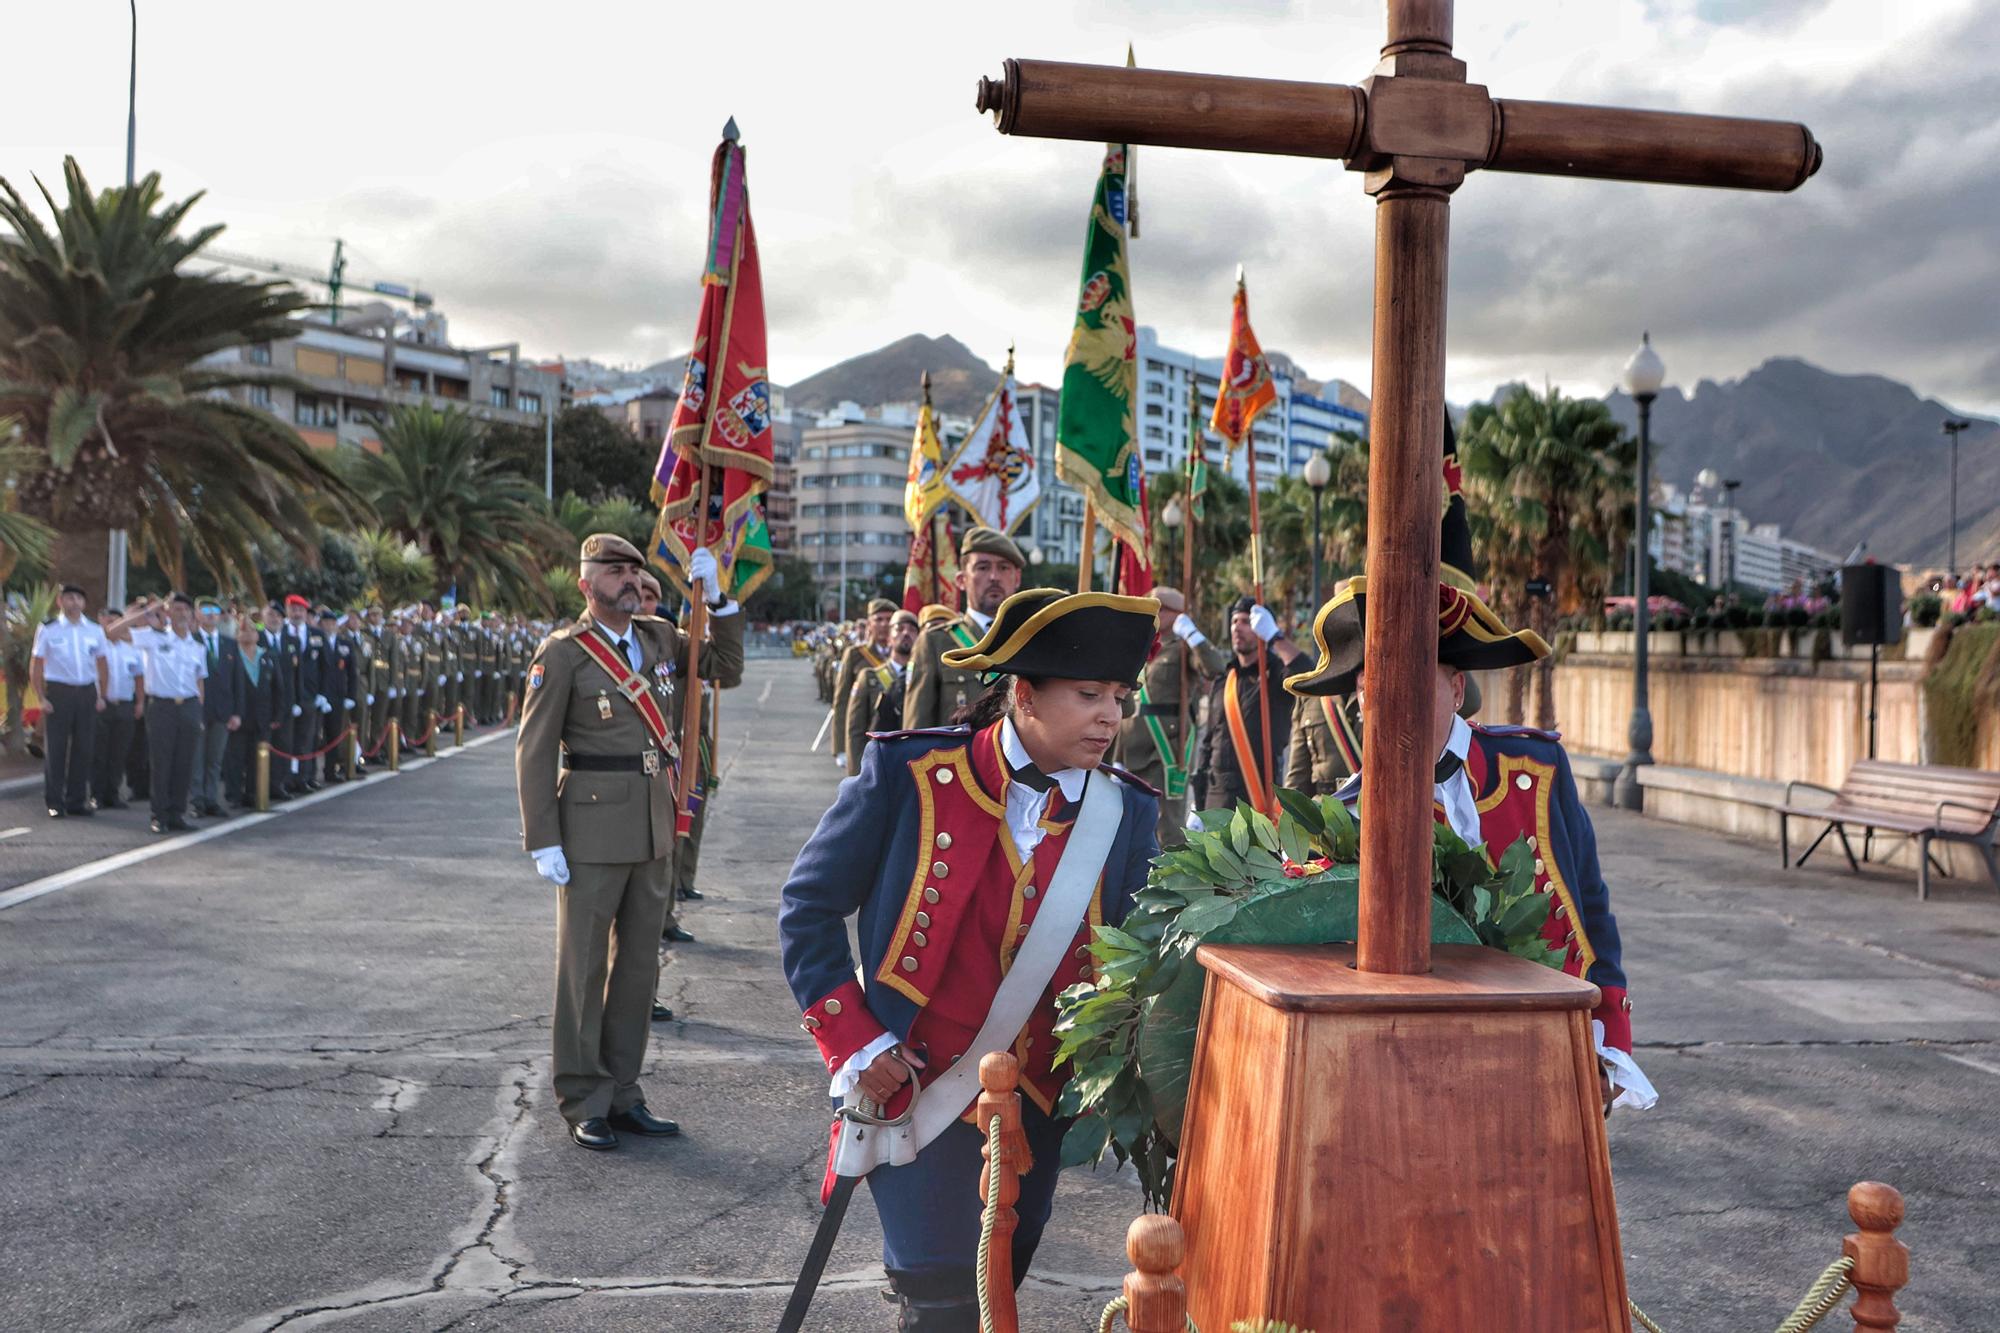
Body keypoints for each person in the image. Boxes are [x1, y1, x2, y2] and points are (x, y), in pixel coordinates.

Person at [780, 587, 1162, 1330]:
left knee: (998, 1297)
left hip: (1042, 1111)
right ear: (1023, 693)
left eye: (1119, 696)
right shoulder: (910, 773)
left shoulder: (1128, 812)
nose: (1111, 716)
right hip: (921, 1091)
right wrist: (858, 1041)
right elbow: (809, 906)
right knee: (941, 1301)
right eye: (1088, 694)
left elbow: (1140, 951)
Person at [1285, 577, 1656, 1113]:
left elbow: (1588, 907)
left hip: (1550, 1044)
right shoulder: (1348, 815)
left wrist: (1608, 1041)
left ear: (1456, 689)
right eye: (1371, 686)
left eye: (1411, 678)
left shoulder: (1537, 767)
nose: (1387, 700)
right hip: (1419, 1073)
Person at [514, 533, 745, 1151]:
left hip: (651, 823)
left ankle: (623, 1091)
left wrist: (719, 601)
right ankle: (582, 1098)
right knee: (582, 970)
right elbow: (534, 751)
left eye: (632, 570)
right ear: (586, 584)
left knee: (640, 970)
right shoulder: (562, 654)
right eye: (612, 571)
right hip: (587, 827)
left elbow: (727, 669)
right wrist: (543, 838)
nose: (626, 579)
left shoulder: (660, 639)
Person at [1113, 586, 1228, 849]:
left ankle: (1172, 884)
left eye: (1161, 609)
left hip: (1165, 749)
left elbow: (1216, 668)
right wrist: (1117, 757)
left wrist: (1193, 635)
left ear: (1177, 614)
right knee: (1132, 824)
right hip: (1133, 748)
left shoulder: (1183, 647)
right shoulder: (1143, 647)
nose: (1155, 614)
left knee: (1167, 827)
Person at [902, 527, 1025, 730]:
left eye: (1003, 568)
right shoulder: (937, 642)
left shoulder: (1030, 638)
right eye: (982, 567)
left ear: (1017, 578)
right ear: (961, 580)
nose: (994, 576)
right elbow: (916, 728)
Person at [1191, 597, 1302, 814]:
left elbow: (1306, 675)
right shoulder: (1225, 679)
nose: (1237, 628)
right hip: (1217, 799)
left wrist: (1275, 637)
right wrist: (1198, 801)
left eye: (1246, 622)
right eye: (1234, 622)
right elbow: (1208, 742)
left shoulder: (1277, 674)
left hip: (1258, 797)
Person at [124, 593, 209, 835]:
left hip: (190, 705)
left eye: (185, 609)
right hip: (162, 706)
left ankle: (176, 813)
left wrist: (198, 712)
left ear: (192, 615)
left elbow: (199, 680)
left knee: (184, 762)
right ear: (167, 612)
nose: (181, 613)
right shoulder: (153, 637)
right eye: (176, 608)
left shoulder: (197, 646)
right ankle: (159, 815)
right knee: (162, 762)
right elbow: (112, 632)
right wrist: (146, 611)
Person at [30, 583, 110, 819]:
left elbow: (103, 664)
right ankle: (55, 801)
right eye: (69, 598)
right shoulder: (48, 628)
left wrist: (102, 695)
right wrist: (41, 697)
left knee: (84, 748)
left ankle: (76, 800)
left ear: (84, 603)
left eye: (78, 598)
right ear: (60, 602)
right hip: (59, 693)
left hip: (86, 692)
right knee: (56, 749)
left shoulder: (95, 630)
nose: (74, 602)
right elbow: (36, 665)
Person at [846, 608, 920, 766]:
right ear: (889, 638)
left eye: (912, 630)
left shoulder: (924, 680)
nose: (906, 633)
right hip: (879, 762)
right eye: (899, 629)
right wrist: (857, 772)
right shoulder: (869, 677)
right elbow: (856, 730)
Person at [831, 599, 896, 775]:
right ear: (870, 624)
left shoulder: (906, 653)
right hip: (863, 735)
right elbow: (842, 702)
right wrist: (840, 747)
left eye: (889, 619)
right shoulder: (855, 655)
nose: (884, 624)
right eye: (879, 619)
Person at [274, 594, 330, 796]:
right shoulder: (281, 633)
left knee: (306, 740)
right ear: (287, 611)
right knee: (286, 741)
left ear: (306, 613)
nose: (296, 613)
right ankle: (286, 779)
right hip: (288, 696)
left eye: (300, 610)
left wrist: (323, 694)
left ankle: (304, 778)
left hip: (310, 695)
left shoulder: (317, 634)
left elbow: (326, 666)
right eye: (293, 609)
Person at [91, 607, 146, 810]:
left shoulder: (131, 649)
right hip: (101, 705)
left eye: (116, 620)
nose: (112, 624)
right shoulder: (97, 645)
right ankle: (97, 794)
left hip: (124, 705)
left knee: (118, 753)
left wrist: (139, 702)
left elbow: (139, 677)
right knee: (99, 752)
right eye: (108, 620)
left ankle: (112, 794)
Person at [228, 618, 287, 807]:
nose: (247, 634)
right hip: (239, 716)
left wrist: (278, 715)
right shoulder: (232, 656)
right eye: (243, 631)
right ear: (237, 635)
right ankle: (234, 795)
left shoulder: (267, 656)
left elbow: (278, 688)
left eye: (251, 631)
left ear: (256, 635)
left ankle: (253, 792)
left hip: (263, 716)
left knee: (257, 757)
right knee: (235, 758)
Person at [192, 601, 243, 817]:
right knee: (197, 758)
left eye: (215, 611)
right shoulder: (190, 640)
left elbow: (237, 681)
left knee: (214, 759)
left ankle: (211, 799)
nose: (211, 615)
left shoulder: (229, 644)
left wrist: (237, 713)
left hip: (223, 711)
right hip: (198, 709)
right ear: (198, 615)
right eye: (206, 611)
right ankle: (197, 801)